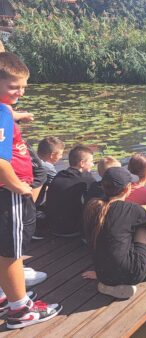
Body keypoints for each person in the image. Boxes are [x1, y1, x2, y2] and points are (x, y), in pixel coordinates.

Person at [0, 52, 61, 329]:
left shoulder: (4, 109)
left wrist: (19, 114)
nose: (20, 92)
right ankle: (20, 309)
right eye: (14, 87)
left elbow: (8, 113)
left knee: (3, 249)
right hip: (9, 192)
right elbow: (1, 163)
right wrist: (22, 188)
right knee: (11, 253)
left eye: (24, 86)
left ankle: (7, 294)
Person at [83, 167, 146, 299]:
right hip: (133, 273)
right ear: (127, 188)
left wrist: (101, 272)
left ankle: (111, 284)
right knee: (145, 219)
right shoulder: (133, 210)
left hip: (103, 273)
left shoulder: (93, 207)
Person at [46, 145, 96, 237]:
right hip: (72, 231)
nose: (93, 164)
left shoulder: (59, 174)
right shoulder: (87, 179)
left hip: (53, 227)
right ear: (82, 163)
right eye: (91, 161)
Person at [32, 137, 65, 240]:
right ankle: (35, 230)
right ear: (52, 155)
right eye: (60, 154)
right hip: (34, 204)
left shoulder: (32, 159)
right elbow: (59, 185)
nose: (61, 157)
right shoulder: (47, 167)